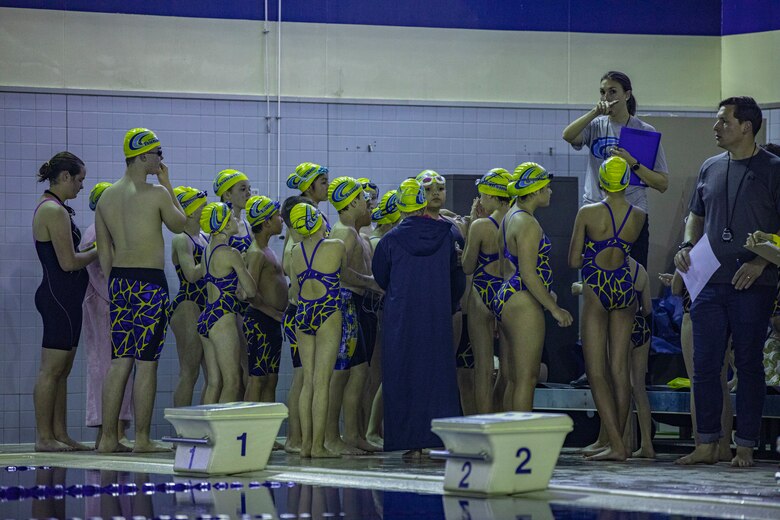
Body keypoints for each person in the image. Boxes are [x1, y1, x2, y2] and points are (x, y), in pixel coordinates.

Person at [675, 97, 780, 467]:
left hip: (754, 282)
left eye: (723, 121)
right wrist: (687, 244)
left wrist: (758, 262)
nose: (715, 127)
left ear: (746, 127)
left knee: (749, 364)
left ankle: (746, 444)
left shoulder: (774, 169)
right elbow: (695, 216)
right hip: (709, 281)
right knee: (704, 365)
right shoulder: (709, 167)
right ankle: (707, 443)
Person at [95, 128, 187, 453]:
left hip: (119, 282)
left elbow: (103, 250)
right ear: (144, 155)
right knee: (146, 363)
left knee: (120, 361)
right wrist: (168, 184)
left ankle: (107, 438)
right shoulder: (156, 194)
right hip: (149, 285)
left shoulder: (106, 197)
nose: (161, 160)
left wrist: (114, 284)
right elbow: (183, 225)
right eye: (158, 154)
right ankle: (142, 439)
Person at [372, 178, 465, 458]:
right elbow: (457, 277)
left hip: (402, 317)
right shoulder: (449, 235)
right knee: (438, 375)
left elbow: (381, 277)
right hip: (437, 314)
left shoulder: (390, 240)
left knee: (404, 375)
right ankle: (439, 438)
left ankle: (411, 443)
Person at [569, 156, 646, 461]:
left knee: (596, 371)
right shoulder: (638, 215)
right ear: (626, 182)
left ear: (601, 182)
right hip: (624, 287)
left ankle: (616, 444)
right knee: (620, 371)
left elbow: (574, 260)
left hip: (596, 289)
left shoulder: (588, 213)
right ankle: (615, 441)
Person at [562, 70, 668, 268]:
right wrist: (595, 111)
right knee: (594, 273)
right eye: (602, 92)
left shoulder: (644, 131)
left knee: (632, 276)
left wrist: (632, 162)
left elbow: (662, 183)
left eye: (612, 92)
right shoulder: (595, 126)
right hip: (596, 209)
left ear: (626, 95)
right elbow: (567, 135)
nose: (606, 97)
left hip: (631, 212)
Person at [494, 163, 573, 413]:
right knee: (528, 379)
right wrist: (554, 308)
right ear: (535, 190)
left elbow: (506, 267)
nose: (550, 192)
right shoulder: (527, 223)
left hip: (507, 297)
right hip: (522, 301)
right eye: (546, 188)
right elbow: (528, 273)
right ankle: (521, 444)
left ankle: (507, 440)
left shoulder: (509, 217)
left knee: (514, 379)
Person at [32, 152, 98, 452]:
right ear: (66, 177)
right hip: (57, 298)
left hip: (67, 300)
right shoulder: (52, 211)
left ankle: (60, 433)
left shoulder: (59, 209)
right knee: (50, 371)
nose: (81, 187)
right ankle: (44, 437)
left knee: (62, 372)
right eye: (80, 180)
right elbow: (69, 263)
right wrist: (100, 250)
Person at [325, 176, 381, 455]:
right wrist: (369, 281)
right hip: (346, 302)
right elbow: (337, 270)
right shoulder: (343, 232)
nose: (368, 202)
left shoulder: (355, 232)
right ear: (351, 203)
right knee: (341, 373)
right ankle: (332, 437)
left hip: (358, 304)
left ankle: (353, 434)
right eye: (363, 198)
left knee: (358, 372)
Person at [290, 202, 348, 458]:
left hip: (302, 313)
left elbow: (293, 290)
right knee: (322, 382)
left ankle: (304, 446)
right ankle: (317, 446)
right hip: (328, 311)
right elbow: (345, 274)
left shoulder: (294, 252)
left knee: (308, 383)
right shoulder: (336, 245)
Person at [415, 169, 475, 415]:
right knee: (426, 367)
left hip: (453, 305)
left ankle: (443, 420)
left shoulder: (452, 225)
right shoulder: (415, 224)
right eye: (429, 190)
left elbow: (468, 260)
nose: (436, 194)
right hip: (428, 306)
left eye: (439, 189)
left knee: (447, 366)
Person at [659, 271, 734, 461]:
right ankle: (724, 448)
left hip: (695, 313)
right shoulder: (721, 247)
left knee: (697, 384)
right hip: (723, 312)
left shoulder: (691, 250)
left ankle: (702, 446)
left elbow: (676, 289)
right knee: (721, 383)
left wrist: (678, 275)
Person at [82, 182, 133, 447]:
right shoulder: (95, 233)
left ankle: (117, 429)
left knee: (120, 367)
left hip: (116, 305)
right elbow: (104, 276)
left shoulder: (110, 230)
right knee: (106, 367)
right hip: (106, 305)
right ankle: (109, 431)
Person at [462, 168, 513, 414]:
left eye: (482, 195)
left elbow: (467, 266)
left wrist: (471, 226)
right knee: (508, 368)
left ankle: (485, 426)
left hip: (483, 291)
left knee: (483, 368)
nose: (480, 201)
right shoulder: (520, 221)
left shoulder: (482, 226)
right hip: (510, 293)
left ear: (492, 197)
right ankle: (502, 421)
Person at [197, 202, 257, 404]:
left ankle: (207, 434)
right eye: (230, 218)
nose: (235, 221)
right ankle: (221, 435)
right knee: (232, 381)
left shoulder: (207, 251)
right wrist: (243, 262)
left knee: (214, 382)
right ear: (221, 225)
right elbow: (251, 291)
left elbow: (229, 288)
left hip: (207, 316)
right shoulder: (230, 253)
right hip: (223, 319)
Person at [243, 195, 288, 402]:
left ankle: (266, 433)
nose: (281, 219)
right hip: (259, 321)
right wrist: (273, 313)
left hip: (271, 321)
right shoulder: (256, 253)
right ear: (266, 222)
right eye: (277, 216)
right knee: (257, 379)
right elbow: (247, 292)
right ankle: (248, 431)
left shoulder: (267, 250)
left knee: (271, 379)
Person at [170, 186, 208, 407]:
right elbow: (191, 275)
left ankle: (202, 428)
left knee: (213, 376)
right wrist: (215, 252)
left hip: (205, 305)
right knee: (189, 371)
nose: (208, 212)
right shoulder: (180, 239)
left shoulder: (203, 237)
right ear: (192, 212)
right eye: (204, 208)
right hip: (187, 305)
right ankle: (180, 434)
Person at [280, 195, 312, 453]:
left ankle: (299, 437)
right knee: (301, 377)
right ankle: (294, 438)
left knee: (304, 377)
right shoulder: (295, 245)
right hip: (297, 313)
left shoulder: (294, 241)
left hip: (296, 313)